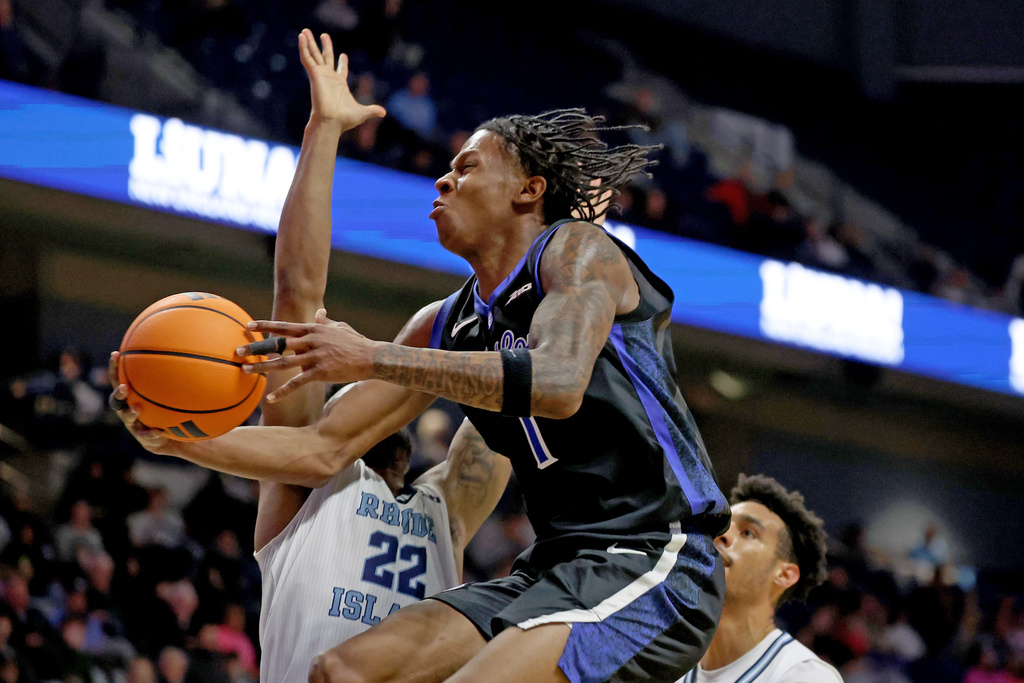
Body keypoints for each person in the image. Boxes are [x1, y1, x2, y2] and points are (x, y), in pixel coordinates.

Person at [111, 28, 730, 683]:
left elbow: (556, 381)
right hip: (555, 568)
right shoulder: (449, 321)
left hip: (655, 557)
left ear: (527, 190)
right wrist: (174, 439)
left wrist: (374, 357)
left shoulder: (574, 250)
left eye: (466, 167)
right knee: (342, 671)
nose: (442, 177)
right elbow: (320, 442)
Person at [110, 28, 511, 682]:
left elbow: (508, 387)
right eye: (338, 390)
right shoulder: (309, 482)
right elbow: (296, 295)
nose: (340, 389)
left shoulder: (446, 509)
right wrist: (322, 128)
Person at [679, 474, 842, 682]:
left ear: (784, 575)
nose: (722, 536)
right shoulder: (663, 658)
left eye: (748, 533)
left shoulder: (805, 676)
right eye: (722, 527)